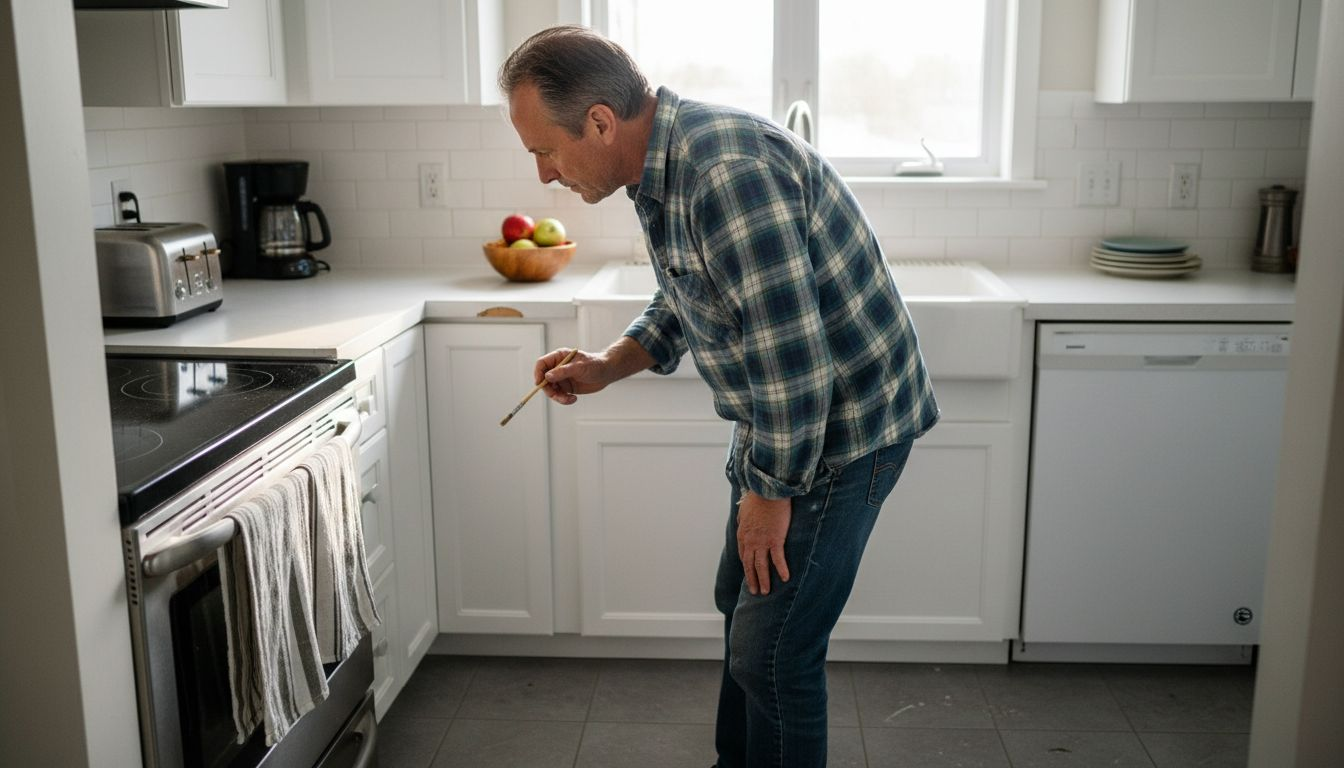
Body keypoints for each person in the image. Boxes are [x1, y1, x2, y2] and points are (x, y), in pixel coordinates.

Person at [499, 25, 939, 768]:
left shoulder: (724, 173)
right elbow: (692, 293)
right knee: (742, 613)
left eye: (545, 150)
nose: (544, 174)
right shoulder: (660, 167)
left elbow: (796, 364)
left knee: (772, 652)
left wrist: (767, 495)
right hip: (785, 418)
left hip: (842, 429)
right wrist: (609, 363)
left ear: (600, 122)